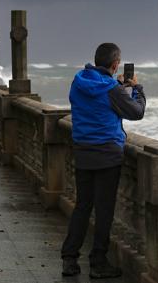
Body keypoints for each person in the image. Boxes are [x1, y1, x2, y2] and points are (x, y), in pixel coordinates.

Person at [61, 43, 146, 279]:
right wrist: (136, 87)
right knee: (104, 210)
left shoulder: (78, 81)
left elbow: (94, 100)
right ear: (116, 64)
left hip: (83, 151)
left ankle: (69, 259)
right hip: (107, 154)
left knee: (82, 206)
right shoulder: (112, 89)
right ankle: (98, 262)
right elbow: (136, 112)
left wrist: (118, 86)